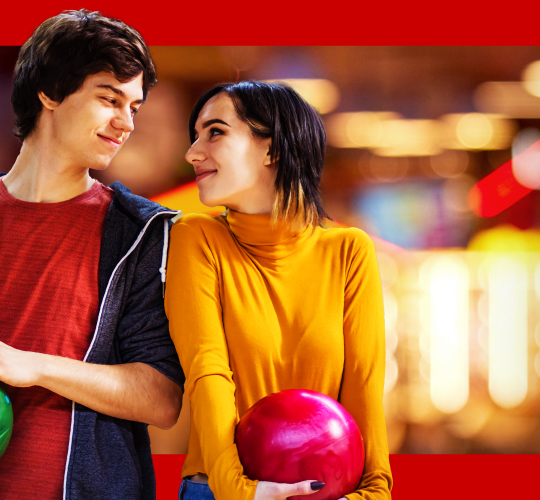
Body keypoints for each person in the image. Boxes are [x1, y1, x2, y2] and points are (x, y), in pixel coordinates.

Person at [0, 9, 185, 500]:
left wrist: (33, 366)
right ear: (49, 91)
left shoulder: (142, 233)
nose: (126, 122)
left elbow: (161, 398)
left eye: (134, 106)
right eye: (109, 99)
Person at [165, 81, 394, 500]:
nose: (192, 153)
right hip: (223, 489)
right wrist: (241, 492)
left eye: (214, 132)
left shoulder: (348, 250)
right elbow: (207, 372)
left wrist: (375, 491)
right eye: (194, 136)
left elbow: (364, 386)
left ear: (272, 149)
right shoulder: (196, 237)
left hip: (334, 492)